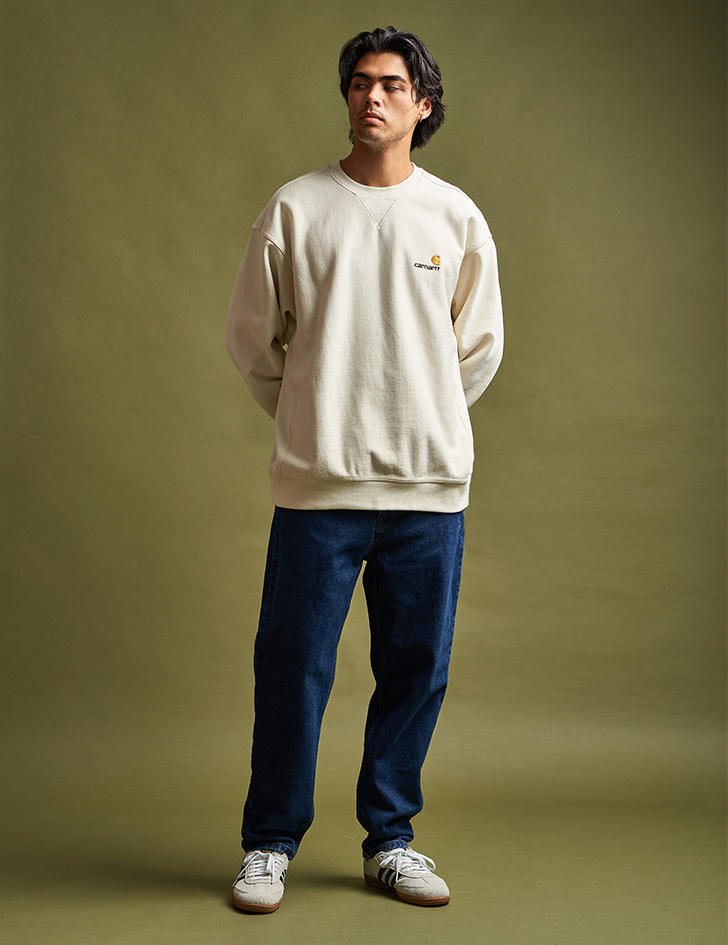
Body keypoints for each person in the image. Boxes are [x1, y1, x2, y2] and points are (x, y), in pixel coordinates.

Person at [225, 26, 503, 914]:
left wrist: (420, 416)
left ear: (423, 106)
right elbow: (252, 340)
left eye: (390, 85)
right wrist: (316, 417)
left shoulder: (454, 216)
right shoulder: (297, 208)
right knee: (292, 668)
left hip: (428, 491)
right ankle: (270, 843)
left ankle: (391, 839)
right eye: (358, 82)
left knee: (416, 668)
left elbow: (477, 350)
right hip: (319, 488)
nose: (370, 96)